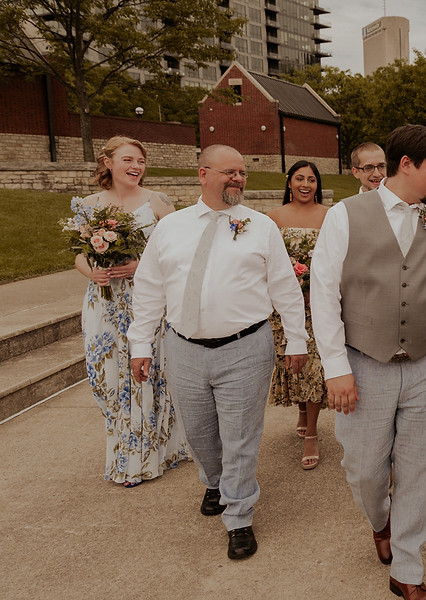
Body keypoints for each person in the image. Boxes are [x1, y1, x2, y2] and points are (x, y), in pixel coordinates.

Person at [310, 124, 426, 600]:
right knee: (364, 468)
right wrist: (335, 367)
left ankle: (407, 567)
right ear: (407, 163)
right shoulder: (345, 215)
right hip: (364, 363)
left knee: (421, 469)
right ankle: (380, 520)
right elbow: (323, 294)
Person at [128, 144, 308, 560]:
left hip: (246, 347)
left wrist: (295, 340)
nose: (238, 179)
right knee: (199, 433)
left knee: (240, 436)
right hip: (183, 348)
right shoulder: (169, 228)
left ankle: (239, 515)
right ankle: (214, 481)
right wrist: (141, 344)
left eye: (242, 173)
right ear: (202, 174)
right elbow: (151, 289)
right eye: (230, 172)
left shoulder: (260, 226)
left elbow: (285, 287)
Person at [75, 136, 188, 488]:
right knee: (107, 376)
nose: (136, 166)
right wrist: (91, 271)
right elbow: (79, 252)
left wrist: (141, 264)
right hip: (103, 301)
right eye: (128, 159)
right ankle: (124, 447)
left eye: (140, 160)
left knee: (148, 373)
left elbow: (178, 248)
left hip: (146, 300)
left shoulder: (158, 201)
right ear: (107, 162)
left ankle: (150, 456)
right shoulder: (89, 204)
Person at [266, 160, 329, 470]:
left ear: (318, 185)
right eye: (300, 178)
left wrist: (314, 285)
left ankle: (312, 434)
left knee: (315, 364)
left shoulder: (330, 216)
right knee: (295, 363)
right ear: (289, 182)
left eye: (312, 179)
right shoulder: (273, 218)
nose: (306, 184)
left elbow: (337, 259)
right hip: (284, 306)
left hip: (320, 304)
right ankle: (303, 410)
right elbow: (266, 264)